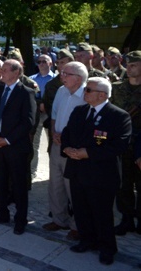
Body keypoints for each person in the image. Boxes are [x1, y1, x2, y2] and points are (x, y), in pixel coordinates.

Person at [62, 77, 132, 266]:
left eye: (88, 90)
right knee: (81, 210)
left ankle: (107, 248)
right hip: (77, 170)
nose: (84, 93)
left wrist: (88, 153)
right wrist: (67, 148)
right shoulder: (79, 111)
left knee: (102, 214)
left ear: (102, 95)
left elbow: (119, 145)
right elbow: (67, 133)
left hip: (101, 175)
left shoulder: (119, 116)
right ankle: (87, 241)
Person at [0, 59, 36, 235]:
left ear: (16, 72)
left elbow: (27, 122)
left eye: (5, 70)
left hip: (15, 147)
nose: (1, 72)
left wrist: (7, 140)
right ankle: (1, 213)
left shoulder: (26, 92)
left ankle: (20, 219)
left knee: (19, 185)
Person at [43, 61, 88, 241]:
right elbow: (54, 114)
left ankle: (78, 225)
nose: (62, 76)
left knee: (74, 188)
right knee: (55, 184)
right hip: (57, 144)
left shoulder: (87, 94)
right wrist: (54, 132)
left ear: (78, 78)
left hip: (74, 149)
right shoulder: (61, 91)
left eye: (66, 74)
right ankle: (59, 219)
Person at [110, 50, 141, 236]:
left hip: (140, 144)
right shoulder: (117, 87)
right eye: (128, 64)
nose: (129, 68)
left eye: (134, 65)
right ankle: (126, 219)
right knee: (123, 185)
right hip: (122, 144)